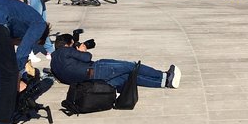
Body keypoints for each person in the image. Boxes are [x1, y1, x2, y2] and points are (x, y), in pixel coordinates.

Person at [50, 34, 181, 90]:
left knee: (128, 78)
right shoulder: (65, 51)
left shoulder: (53, 63)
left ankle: (163, 83)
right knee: (132, 66)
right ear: (67, 44)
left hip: (91, 82)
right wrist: (82, 50)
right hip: (97, 69)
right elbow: (87, 58)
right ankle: (163, 76)